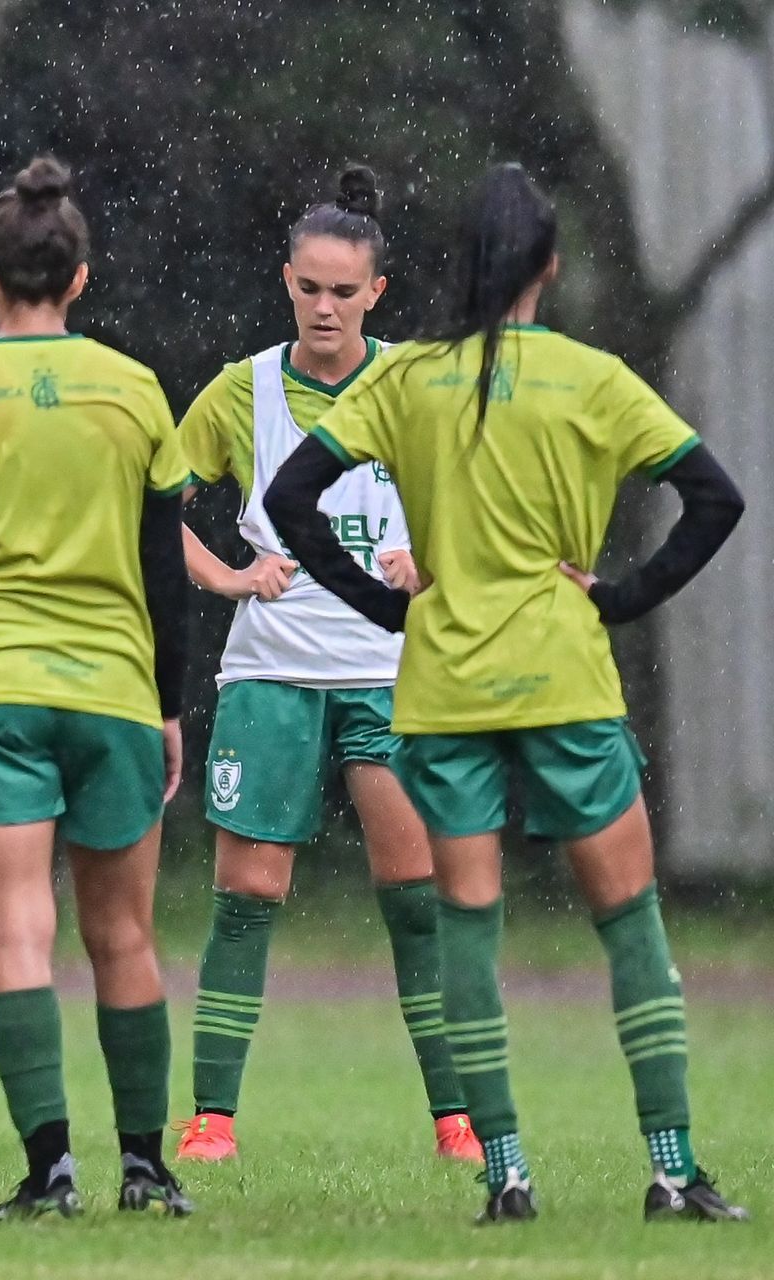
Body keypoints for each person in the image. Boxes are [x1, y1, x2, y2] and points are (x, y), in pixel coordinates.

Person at [263, 162, 748, 1225]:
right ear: (550, 264)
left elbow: (290, 497)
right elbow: (715, 496)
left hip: (447, 693)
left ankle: (507, 1175)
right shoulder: (593, 376)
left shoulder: (409, 380)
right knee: (630, 924)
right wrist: (623, 596)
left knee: (467, 929)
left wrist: (389, 610)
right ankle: (672, 1169)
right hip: (565, 679)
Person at [0, 157, 194, 1220]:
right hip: (113, 687)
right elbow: (166, 571)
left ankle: (50, 1171)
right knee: (127, 938)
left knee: (20, 933)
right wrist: (168, 706)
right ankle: (147, 1169)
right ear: (81, 277)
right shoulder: (137, 390)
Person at [172, 166, 479, 1165]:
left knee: (418, 891)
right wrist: (228, 574)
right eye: (310, 286)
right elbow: (153, 509)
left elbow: (481, 516)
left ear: (377, 293)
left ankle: (456, 1119)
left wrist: (427, 563)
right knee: (248, 892)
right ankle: (211, 1118)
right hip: (272, 673)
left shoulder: (417, 386)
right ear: (287, 281)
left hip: (392, 673)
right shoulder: (244, 389)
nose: (326, 306)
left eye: (346, 291)